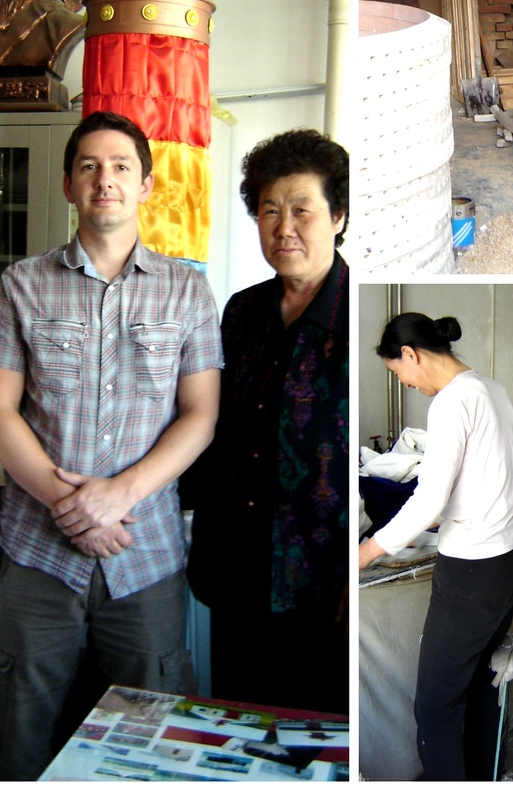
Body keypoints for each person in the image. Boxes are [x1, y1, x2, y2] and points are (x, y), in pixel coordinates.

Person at [0, 111, 222, 780]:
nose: (104, 179)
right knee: (15, 742)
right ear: (67, 185)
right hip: (35, 559)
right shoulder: (21, 283)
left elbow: (200, 416)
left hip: (144, 559)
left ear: (147, 185)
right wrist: (70, 505)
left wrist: (120, 495)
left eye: (120, 167)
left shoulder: (188, 289)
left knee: (154, 751)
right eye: (89, 166)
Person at [186, 128, 349, 715]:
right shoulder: (242, 311)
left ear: (338, 216)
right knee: (239, 723)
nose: (284, 228)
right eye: (268, 211)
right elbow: (214, 426)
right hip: (238, 568)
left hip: (321, 582)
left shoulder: (358, 315)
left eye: (301, 210)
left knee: (316, 738)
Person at [358, 313, 513, 781]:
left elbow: (429, 502)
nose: (406, 385)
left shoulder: (452, 402)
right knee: (480, 684)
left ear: (411, 355)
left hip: (472, 571)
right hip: (509, 559)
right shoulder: (491, 389)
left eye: (398, 373)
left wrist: (367, 551)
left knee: (435, 704)